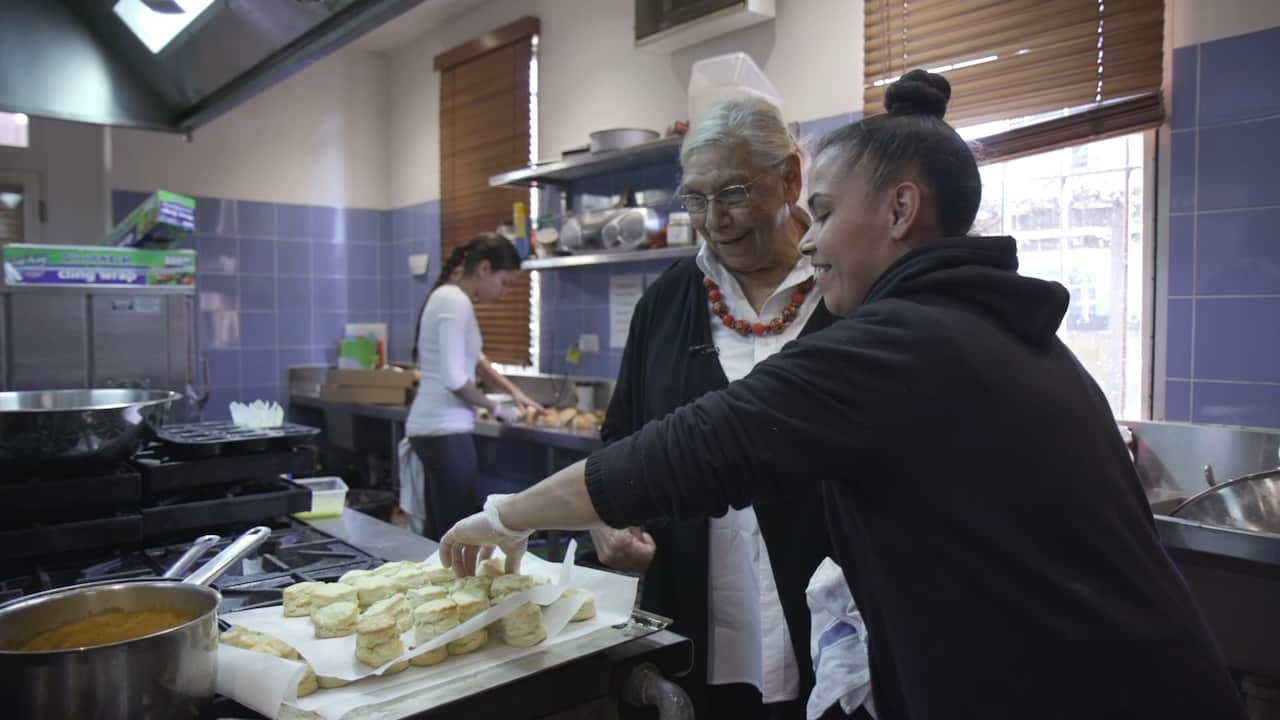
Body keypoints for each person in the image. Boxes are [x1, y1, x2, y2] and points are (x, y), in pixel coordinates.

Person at [437, 71, 1247, 720]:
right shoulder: (1001, 324)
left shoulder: (906, 343)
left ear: (900, 209)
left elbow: (700, 446)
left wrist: (506, 515)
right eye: (699, 199)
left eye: (822, 213)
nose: (812, 237)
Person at [591, 96, 855, 720]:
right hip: (696, 622)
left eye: (733, 191)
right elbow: (621, 436)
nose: (715, 219)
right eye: (696, 198)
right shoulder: (666, 303)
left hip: (834, 626)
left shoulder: (849, 290)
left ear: (790, 178)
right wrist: (606, 518)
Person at [405, 232, 542, 540]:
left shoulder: (448, 297)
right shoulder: (456, 302)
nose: (505, 293)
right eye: (504, 282)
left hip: (434, 429)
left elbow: (477, 359)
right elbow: (455, 379)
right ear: (484, 269)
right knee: (458, 536)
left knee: (442, 531)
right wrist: (497, 408)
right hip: (444, 430)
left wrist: (514, 393)